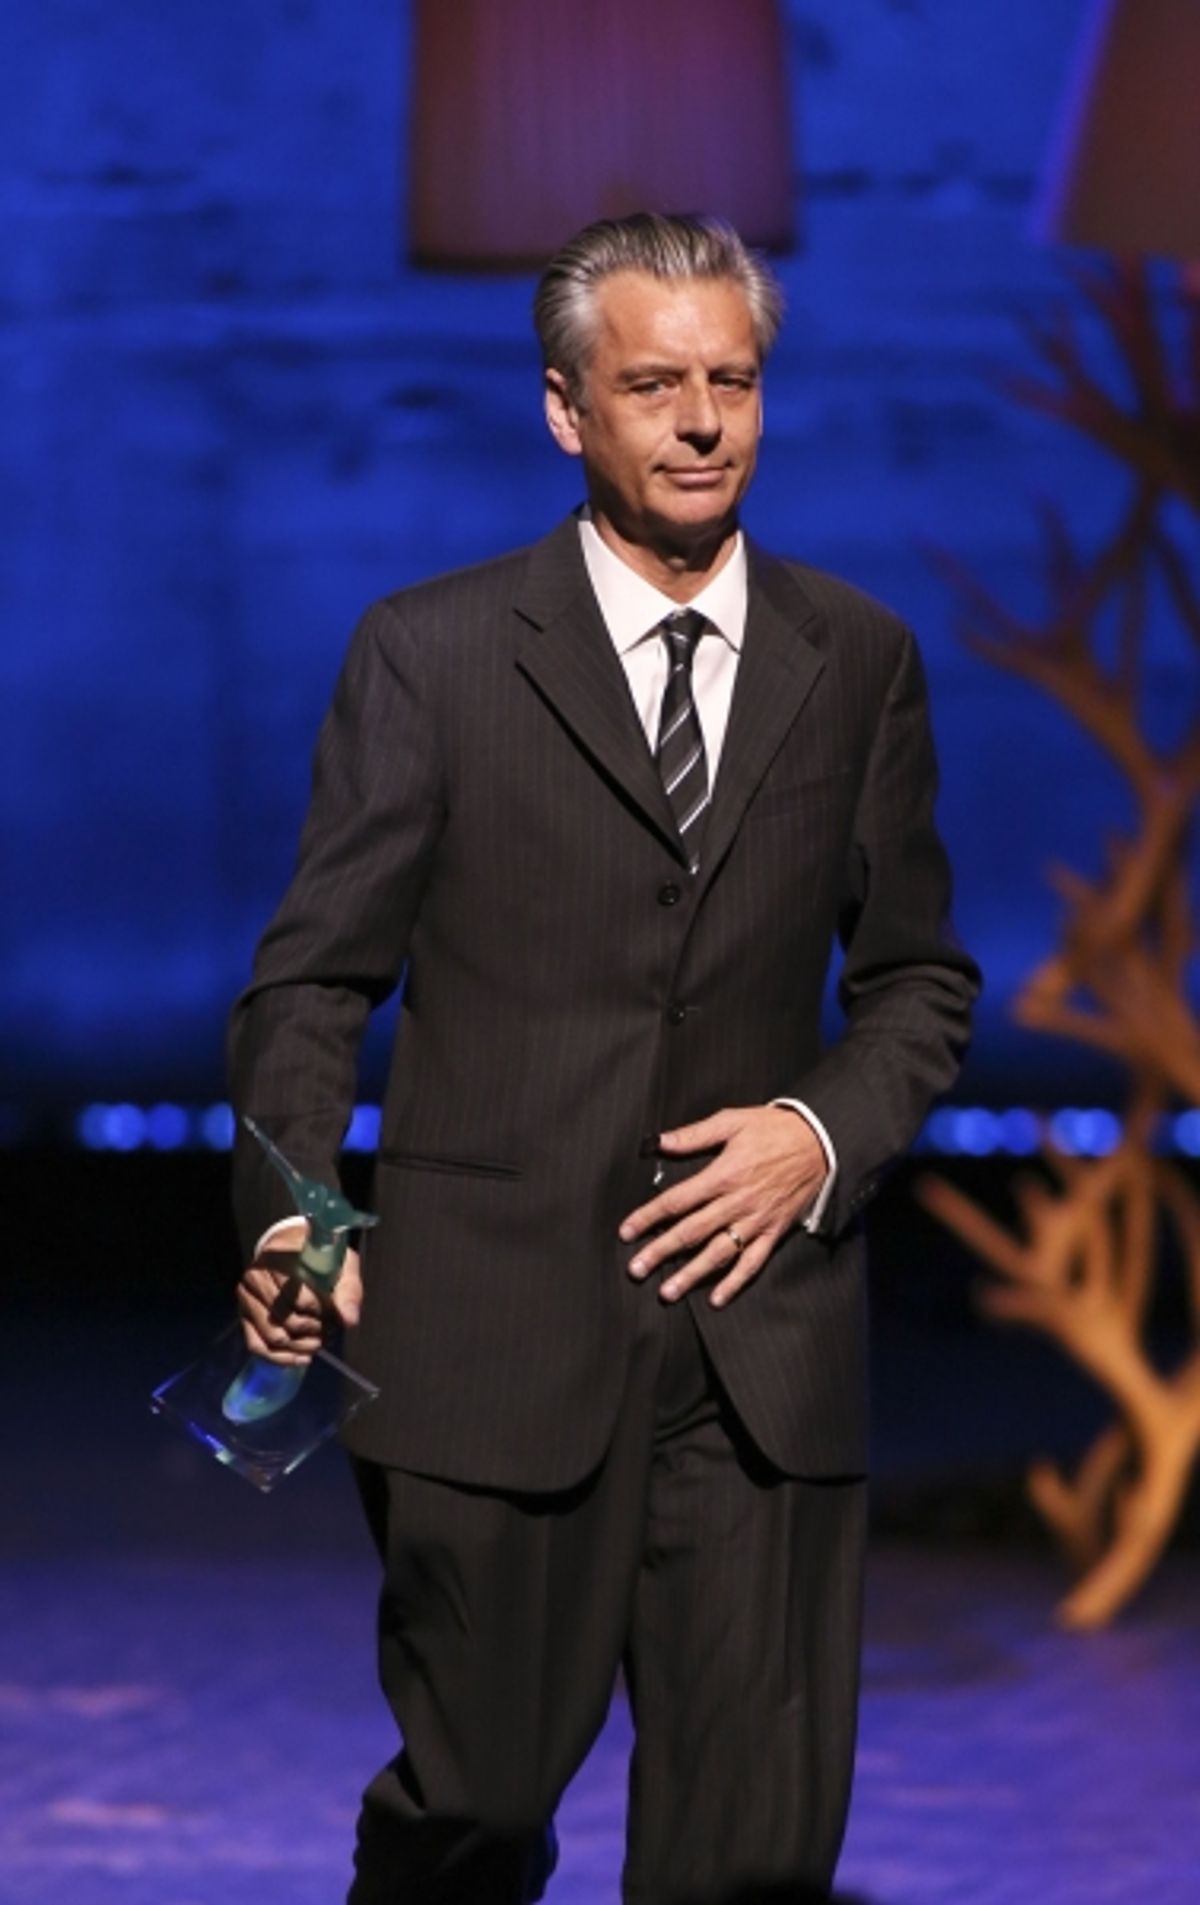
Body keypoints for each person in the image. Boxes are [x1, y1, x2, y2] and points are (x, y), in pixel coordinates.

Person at [228, 212, 980, 1905]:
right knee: (474, 1811)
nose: (704, 420)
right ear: (570, 411)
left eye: (735, 380)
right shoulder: (432, 654)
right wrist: (292, 1206)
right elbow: (311, 984)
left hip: (759, 1354)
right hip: (493, 1333)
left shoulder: (856, 660)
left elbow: (922, 979)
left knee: (753, 1858)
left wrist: (816, 1129)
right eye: (656, 384)